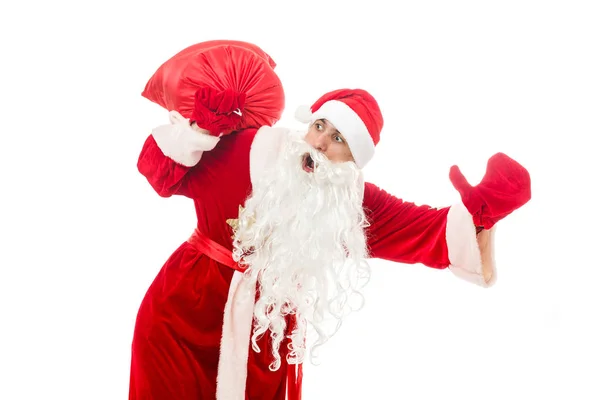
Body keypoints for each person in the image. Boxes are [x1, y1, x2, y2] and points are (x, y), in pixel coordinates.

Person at [129, 87, 531, 400]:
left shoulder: (351, 207)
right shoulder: (246, 147)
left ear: (353, 159)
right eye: (319, 126)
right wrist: (199, 131)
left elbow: (427, 230)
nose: (320, 143)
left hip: (262, 339)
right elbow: (160, 173)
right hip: (180, 315)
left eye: (338, 138)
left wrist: (482, 209)